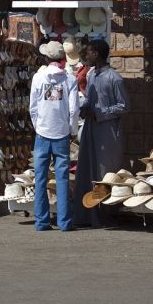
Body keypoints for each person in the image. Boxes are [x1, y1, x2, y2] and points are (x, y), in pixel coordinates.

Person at [74, 39, 130, 228]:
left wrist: (99, 113)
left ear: (96, 54)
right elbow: (90, 99)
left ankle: (107, 214)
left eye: (88, 52)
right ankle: (88, 214)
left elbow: (124, 106)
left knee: (105, 172)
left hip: (107, 132)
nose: (86, 56)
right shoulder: (91, 75)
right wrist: (84, 108)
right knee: (88, 169)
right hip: (91, 129)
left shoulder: (114, 78)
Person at [29, 41, 79, 232]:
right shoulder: (69, 79)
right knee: (62, 178)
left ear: (47, 58)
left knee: (40, 178)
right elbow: (74, 109)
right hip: (62, 132)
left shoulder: (38, 78)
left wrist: (38, 126)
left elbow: (33, 107)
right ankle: (64, 222)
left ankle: (41, 221)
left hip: (42, 132)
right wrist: (71, 130)